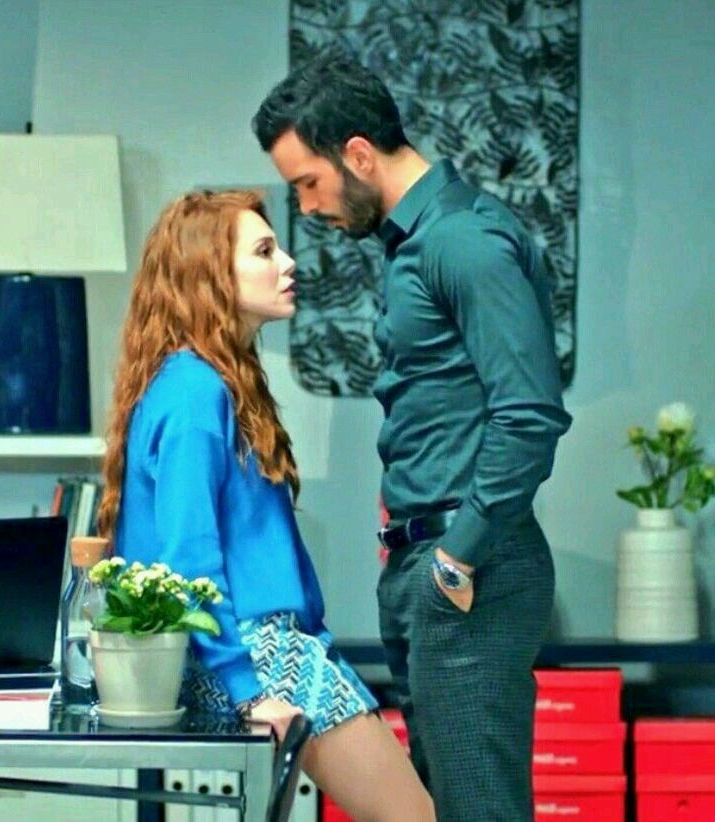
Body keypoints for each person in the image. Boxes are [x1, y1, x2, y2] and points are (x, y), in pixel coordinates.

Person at [253, 55, 573, 821]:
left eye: (308, 182)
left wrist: (457, 550)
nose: (309, 206)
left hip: (469, 572)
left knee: (477, 809)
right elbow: (438, 407)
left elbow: (528, 413)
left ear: (357, 154)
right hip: (428, 562)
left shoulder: (463, 241)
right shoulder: (413, 243)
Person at [96, 189, 435, 822]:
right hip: (257, 653)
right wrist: (250, 693)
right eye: (263, 250)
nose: (288, 263)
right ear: (210, 273)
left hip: (272, 647)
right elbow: (186, 559)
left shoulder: (212, 381)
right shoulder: (196, 390)